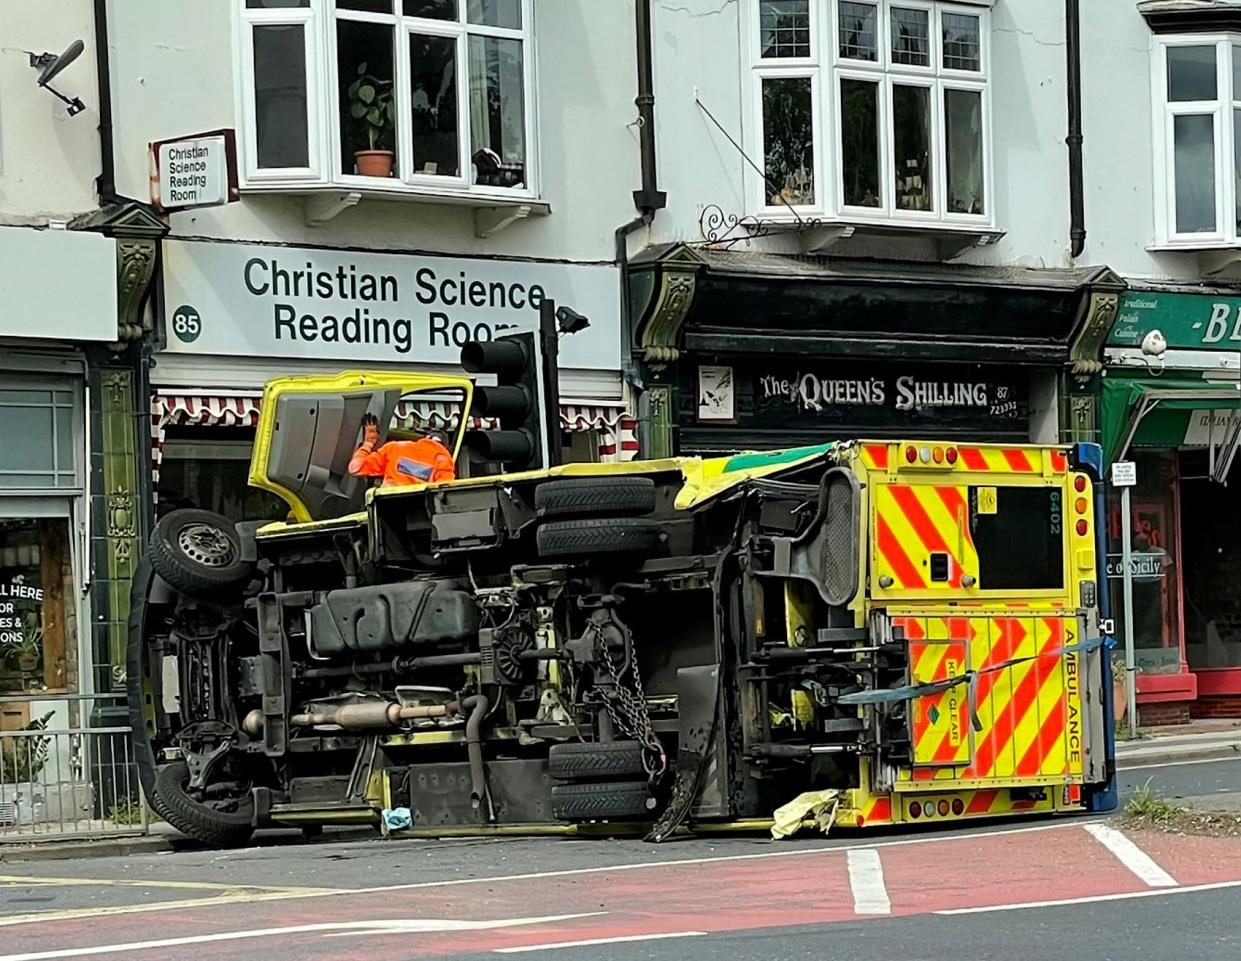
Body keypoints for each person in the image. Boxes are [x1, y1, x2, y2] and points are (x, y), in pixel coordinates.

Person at [347, 413, 456, 487]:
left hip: (385, 509)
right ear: (444, 447)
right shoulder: (442, 461)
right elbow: (445, 493)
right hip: (416, 516)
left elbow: (355, 468)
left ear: (424, 439)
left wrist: (368, 444)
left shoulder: (395, 448)